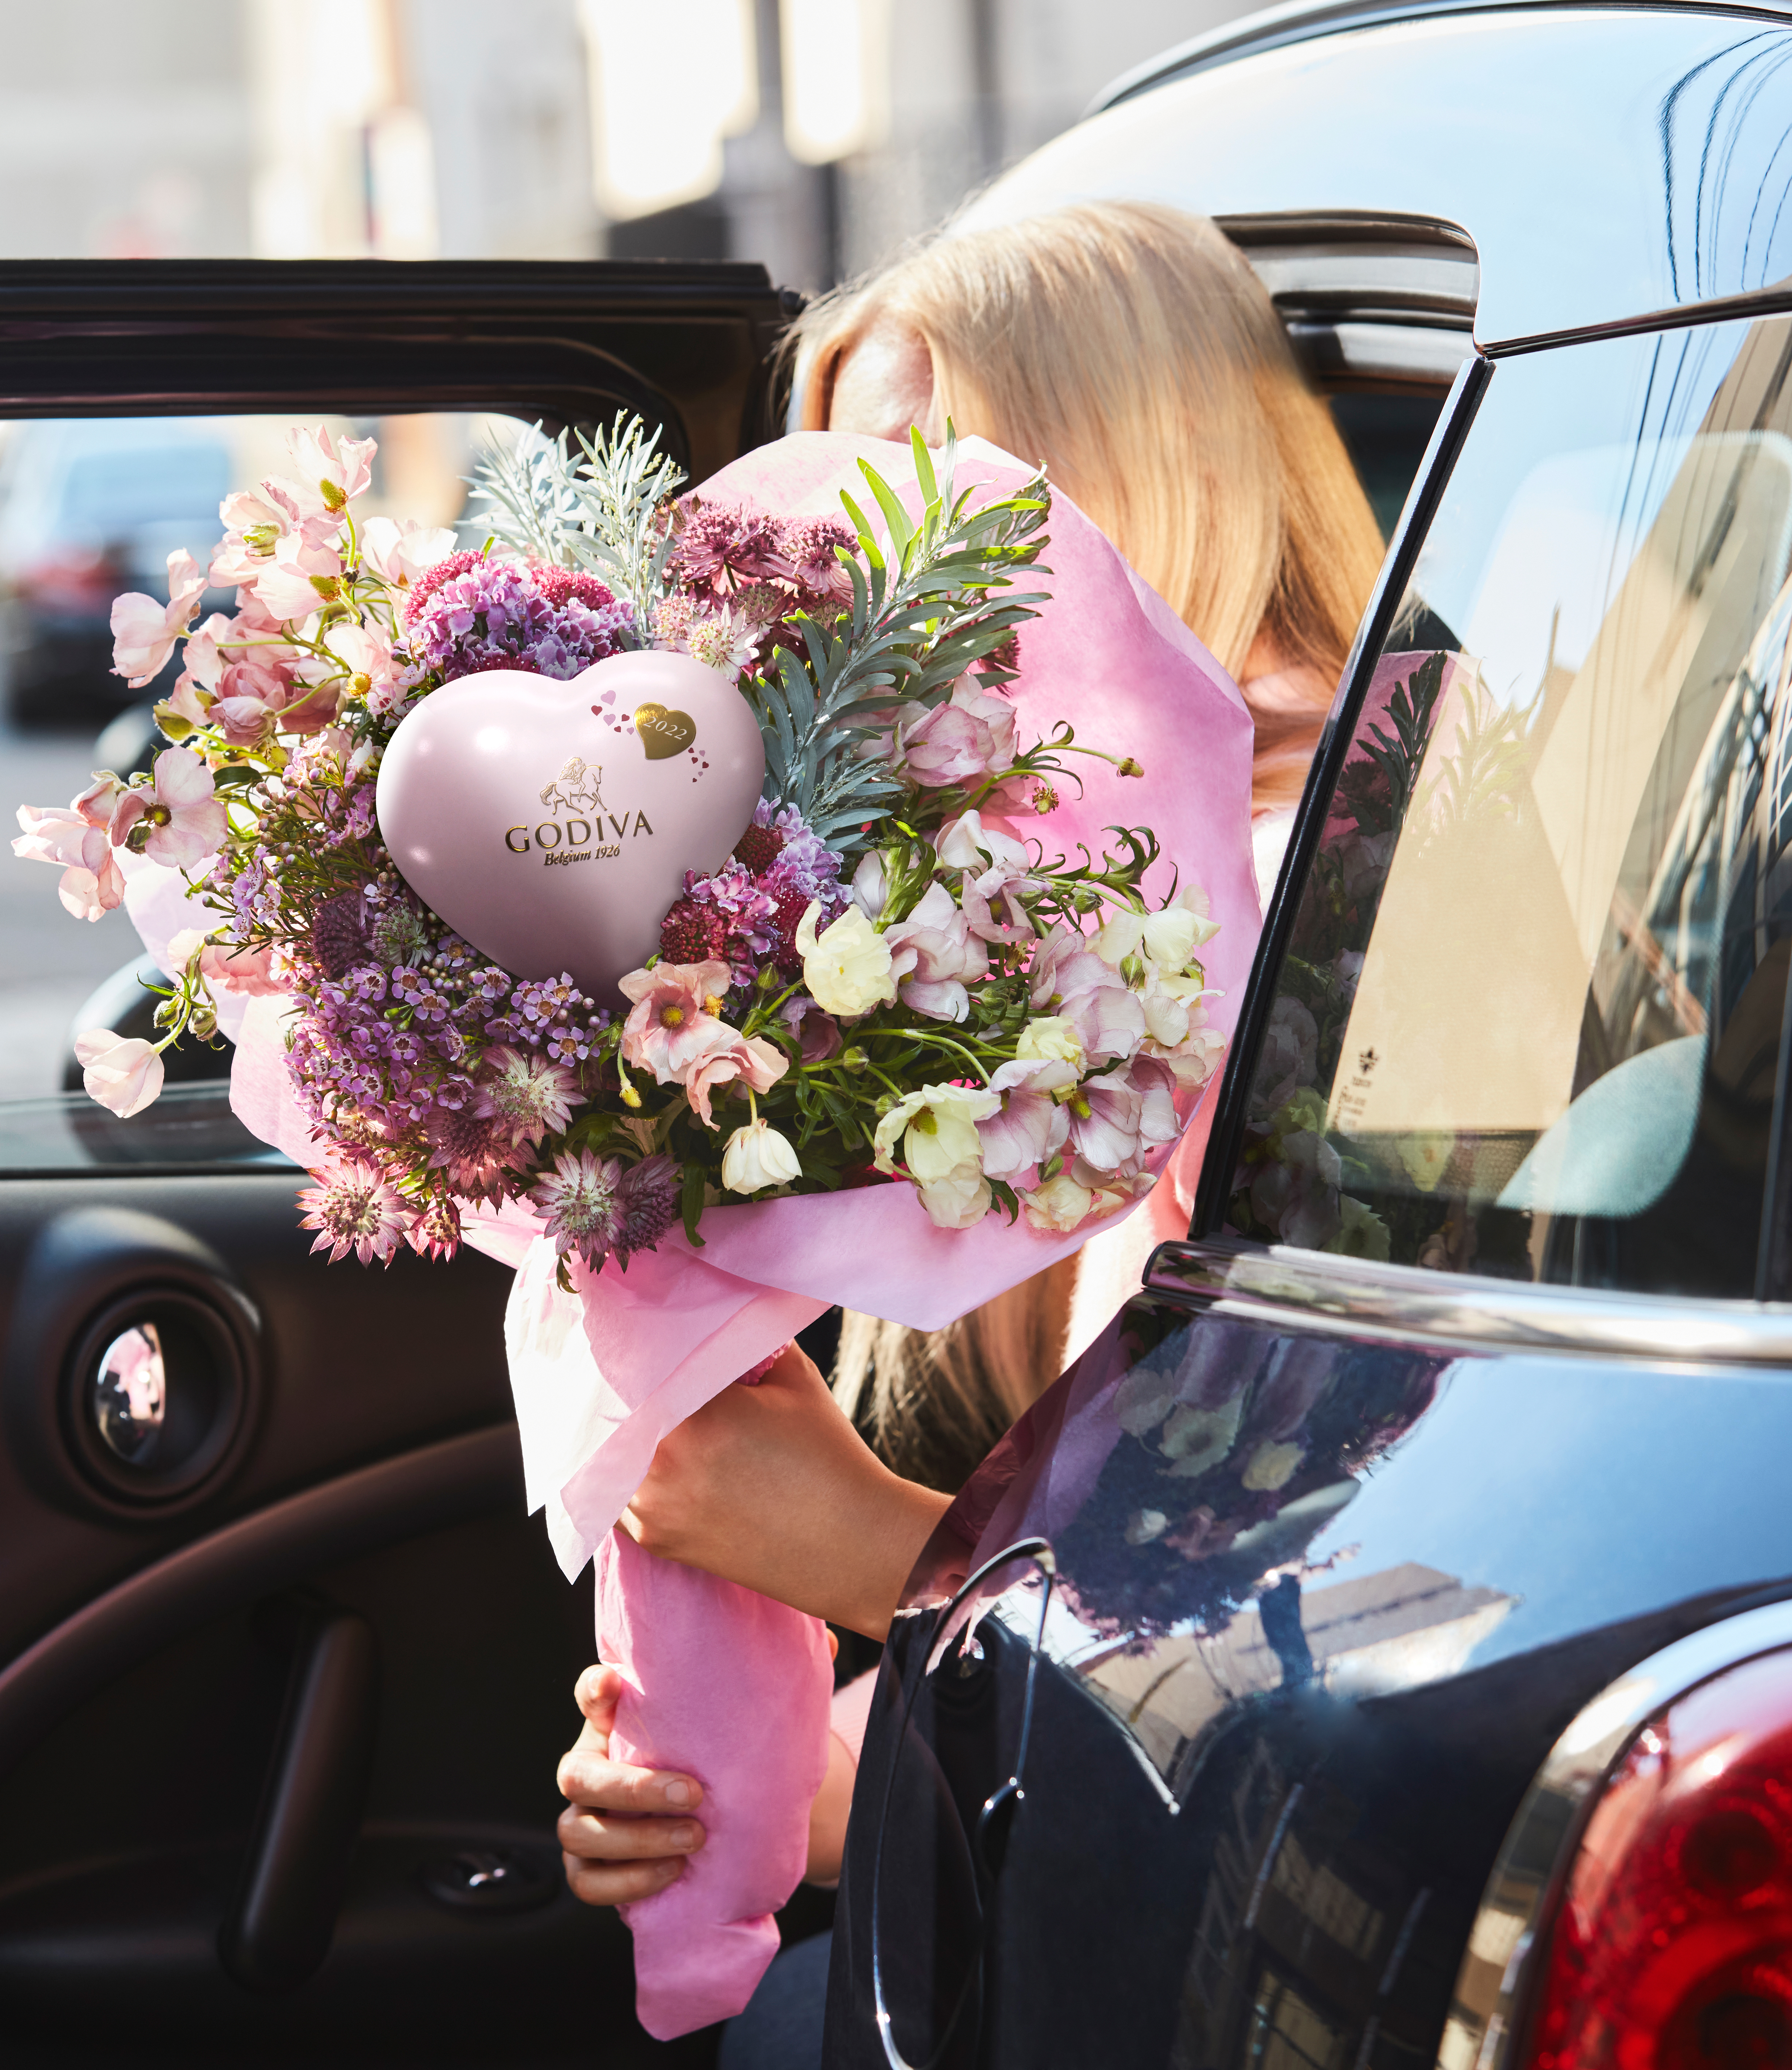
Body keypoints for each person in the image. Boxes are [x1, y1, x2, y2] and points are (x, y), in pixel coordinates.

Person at [550, 199, 1388, 2051]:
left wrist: (883, 1564)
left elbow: (1313, 1627)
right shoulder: (970, 925)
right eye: (819, 506)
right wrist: (745, 1774)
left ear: (1136, 473)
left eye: (931, 490)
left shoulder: (1355, 876)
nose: (850, 580)